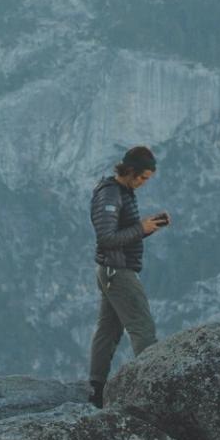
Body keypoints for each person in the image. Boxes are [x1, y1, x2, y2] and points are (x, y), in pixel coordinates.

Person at [87, 145, 168, 407]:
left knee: (108, 331)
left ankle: (95, 389)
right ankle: (155, 389)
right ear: (130, 171)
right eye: (143, 177)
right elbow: (107, 238)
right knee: (142, 328)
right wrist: (140, 228)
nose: (144, 183)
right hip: (118, 272)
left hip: (113, 270)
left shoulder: (123, 191)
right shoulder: (110, 195)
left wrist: (146, 228)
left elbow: (121, 231)